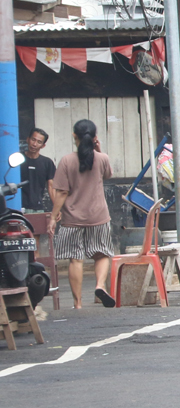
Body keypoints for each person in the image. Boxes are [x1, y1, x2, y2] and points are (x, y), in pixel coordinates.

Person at [50, 119, 116, 309]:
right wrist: (99, 150)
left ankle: (78, 303)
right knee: (102, 253)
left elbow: (61, 192)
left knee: (76, 258)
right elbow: (108, 175)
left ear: (74, 136)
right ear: (95, 138)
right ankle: (99, 285)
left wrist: (53, 218)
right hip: (99, 216)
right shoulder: (102, 158)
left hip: (72, 218)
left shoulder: (66, 161)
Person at [20, 128, 56, 212]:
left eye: (39, 142)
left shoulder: (47, 162)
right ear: (28, 139)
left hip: (38, 208)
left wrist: (56, 208)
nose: (34, 144)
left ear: (43, 145)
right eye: (33, 140)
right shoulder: (17, 159)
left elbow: (51, 187)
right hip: (18, 207)